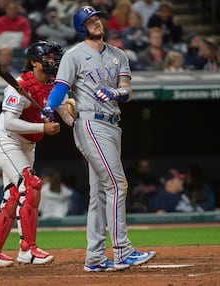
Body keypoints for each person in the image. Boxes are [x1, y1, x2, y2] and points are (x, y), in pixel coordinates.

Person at [42, 6, 156, 272]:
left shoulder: (118, 54)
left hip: (113, 124)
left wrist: (116, 93)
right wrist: (49, 108)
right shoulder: (74, 55)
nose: (96, 23)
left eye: (97, 18)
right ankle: (122, 251)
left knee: (98, 194)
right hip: (90, 123)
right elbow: (60, 87)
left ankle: (94, 258)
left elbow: (128, 91)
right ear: (81, 27)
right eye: (90, 20)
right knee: (118, 185)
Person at [0, 40, 74, 267]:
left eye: (54, 57)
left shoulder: (54, 85)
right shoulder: (18, 85)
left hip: (28, 146)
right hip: (6, 140)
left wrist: (72, 111)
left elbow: (68, 119)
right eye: (48, 58)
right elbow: (10, 123)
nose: (53, 61)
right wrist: (43, 128)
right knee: (31, 185)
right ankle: (27, 249)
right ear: (34, 62)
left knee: (13, 196)